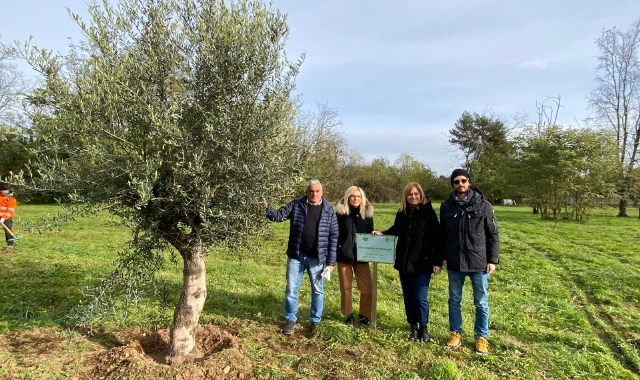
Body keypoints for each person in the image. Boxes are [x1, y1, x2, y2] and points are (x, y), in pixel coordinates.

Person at [264, 180, 338, 335]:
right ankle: (290, 320)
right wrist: (265, 207)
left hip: (316, 259)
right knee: (291, 290)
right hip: (296, 256)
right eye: (311, 191)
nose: (314, 194)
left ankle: (315, 321)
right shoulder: (296, 205)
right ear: (306, 192)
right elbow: (278, 216)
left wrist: (330, 263)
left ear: (322, 192)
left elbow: (333, 237)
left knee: (318, 291)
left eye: (317, 191)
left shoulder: (328, 209)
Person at [440, 168, 499, 355]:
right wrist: (443, 257)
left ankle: (481, 337)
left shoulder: (484, 206)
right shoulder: (446, 207)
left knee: (481, 302)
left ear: (469, 182)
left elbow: (493, 235)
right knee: (454, 300)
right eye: (456, 182)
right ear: (453, 185)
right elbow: (443, 236)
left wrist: (492, 260)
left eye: (463, 181)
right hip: (455, 262)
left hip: (479, 263)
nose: (460, 184)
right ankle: (455, 333)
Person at [373, 182, 442, 342]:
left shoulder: (429, 213)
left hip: (423, 263)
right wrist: (383, 233)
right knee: (408, 297)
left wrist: (437, 261)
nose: (413, 197)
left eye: (416, 194)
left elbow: (437, 238)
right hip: (405, 262)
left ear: (421, 195)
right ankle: (413, 327)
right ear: (406, 196)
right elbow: (397, 229)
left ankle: (423, 327)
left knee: (420, 298)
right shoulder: (402, 212)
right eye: (410, 194)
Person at [334, 186, 374, 327]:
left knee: (368, 288)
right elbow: (335, 234)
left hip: (362, 256)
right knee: (346, 288)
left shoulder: (367, 214)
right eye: (352, 196)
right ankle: (348, 315)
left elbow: (370, 234)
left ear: (362, 198)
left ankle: (364, 315)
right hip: (344, 255)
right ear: (347, 197)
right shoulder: (340, 213)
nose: (355, 198)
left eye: (358, 196)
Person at [0, 183, 17, 248]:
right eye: (3, 190)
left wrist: (3, 218)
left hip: (7, 216)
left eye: (6, 190)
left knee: (8, 229)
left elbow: (10, 211)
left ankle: (10, 244)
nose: (5, 191)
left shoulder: (11, 199)